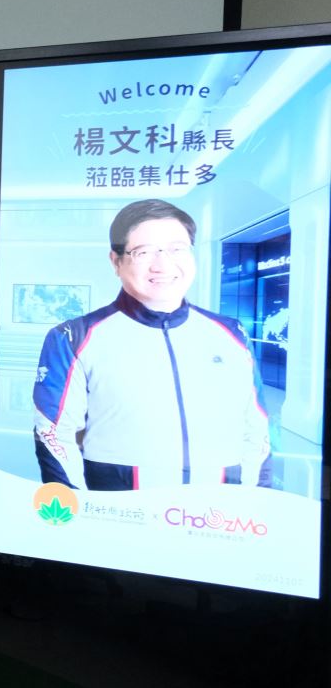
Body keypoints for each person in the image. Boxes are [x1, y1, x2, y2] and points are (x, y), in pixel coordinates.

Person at [34, 198, 272, 491]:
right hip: (120, 509)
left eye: (177, 249)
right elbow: (54, 433)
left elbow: (256, 429)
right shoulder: (74, 337)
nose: (162, 265)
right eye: (143, 252)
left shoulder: (231, 333)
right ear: (116, 261)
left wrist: (258, 502)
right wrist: (78, 510)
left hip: (219, 511)